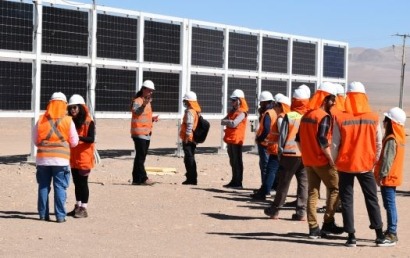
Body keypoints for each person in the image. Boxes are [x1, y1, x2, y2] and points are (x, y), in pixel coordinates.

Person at [333, 81, 394, 247]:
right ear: (364, 97)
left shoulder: (341, 117)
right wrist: (373, 161)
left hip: (345, 165)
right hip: (365, 165)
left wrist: (335, 162)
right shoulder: (373, 117)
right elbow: (379, 143)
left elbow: (335, 145)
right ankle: (379, 235)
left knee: (347, 200)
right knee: (372, 199)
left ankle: (351, 237)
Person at [297, 82, 343, 239]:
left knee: (313, 192)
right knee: (336, 189)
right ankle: (328, 222)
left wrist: (306, 154)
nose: (334, 102)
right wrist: (331, 160)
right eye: (332, 99)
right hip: (322, 161)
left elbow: (298, 139)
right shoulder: (323, 117)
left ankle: (313, 228)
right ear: (325, 99)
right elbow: (322, 139)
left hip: (308, 161)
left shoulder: (306, 115)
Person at [264, 84, 310, 220]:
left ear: (294, 101)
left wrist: (280, 153)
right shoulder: (309, 116)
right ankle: (301, 212)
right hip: (305, 155)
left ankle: (275, 210)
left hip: (289, 154)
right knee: (304, 184)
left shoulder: (290, 116)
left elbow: (282, 136)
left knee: (284, 182)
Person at [32, 92, 79, 223]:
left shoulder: (41, 119)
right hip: (61, 159)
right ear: (64, 105)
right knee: (60, 187)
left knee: (43, 186)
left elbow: (35, 140)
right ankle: (60, 216)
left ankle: (42, 214)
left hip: (43, 159)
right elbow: (74, 142)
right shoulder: (68, 120)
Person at [374, 107, 406, 245]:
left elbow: (388, 159)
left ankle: (392, 233)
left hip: (388, 178)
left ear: (391, 123)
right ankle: (391, 231)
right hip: (393, 176)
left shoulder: (392, 139)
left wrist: (381, 175)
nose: (383, 122)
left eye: (386, 120)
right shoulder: (399, 137)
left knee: (390, 205)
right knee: (389, 205)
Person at [251, 93, 290, 200]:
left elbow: (269, 130)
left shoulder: (274, 114)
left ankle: (266, 191)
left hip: (274, 147)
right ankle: (269, 189)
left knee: (269, 169)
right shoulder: (285, 115)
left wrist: (260, 139)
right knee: (274, 170)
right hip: (281, 148)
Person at [66, 94, 95, 218]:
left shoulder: (89, 121)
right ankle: (77, 206)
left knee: (83, 183)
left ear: (81, 107)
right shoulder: (70, 121)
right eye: (70, 108)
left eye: (75, 107)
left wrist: (78, 138)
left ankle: (84, 208)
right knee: (76, 183)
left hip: (84, 157)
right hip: (73, 157)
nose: (72, 110)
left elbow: (91, 138)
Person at [130, 80, 159, 186]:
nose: (151, 92)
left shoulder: (148, 102)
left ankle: (136, 179)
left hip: (146, 133)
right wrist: (143, 105)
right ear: (143, 89)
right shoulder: (137, 101)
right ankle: (144, 178)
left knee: (140, 157)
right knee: (140, 157)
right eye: (149, 90)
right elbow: (137, 112)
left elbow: (144, 117)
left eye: (152, 91)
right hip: (139, 133)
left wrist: (152, 119)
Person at [221, 89, 249, 189]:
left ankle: (238, 182)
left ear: (239, 100)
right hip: (230, 139)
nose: (232, 102)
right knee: (232, 161)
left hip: (237, 140)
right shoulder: (232, 111)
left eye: (233, 100)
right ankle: (234, 181)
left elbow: (234, 124)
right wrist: (229, 121)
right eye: (231, 100)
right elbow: (222, 121)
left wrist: (228, 121)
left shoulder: (242, 112)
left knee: (237, 161)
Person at [253, 91, 276, 193]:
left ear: (266, 102)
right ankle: (268, 187)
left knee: (265, 166)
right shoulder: (274, 112)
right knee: (268, 166)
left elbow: (266, 129)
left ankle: (265, 188)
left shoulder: (268, 113)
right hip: (270, 143)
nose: (260, 105)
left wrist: (260, 139)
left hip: (265, 143)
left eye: (262, 103)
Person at [180, 91, 202, 185]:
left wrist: (187, 137)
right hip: (192, 139)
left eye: (186, 101)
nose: (185, 103)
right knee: (191, 158)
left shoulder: (190, 112)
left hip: (188, 139)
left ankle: (191, 178)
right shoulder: (196, 111)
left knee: (189, 159)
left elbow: (189, 125)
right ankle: (191, 177)